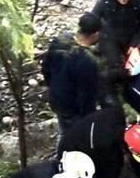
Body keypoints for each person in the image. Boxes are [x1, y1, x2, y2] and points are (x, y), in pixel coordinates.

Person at [40, 13, 103, 143]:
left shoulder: (60, 40)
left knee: (64, 131)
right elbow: (86, 97)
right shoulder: (87, 61)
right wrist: (88, 119)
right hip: (73, 109)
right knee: (75, 138)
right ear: (95, 35)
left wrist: (52, 87)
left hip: (56, 99)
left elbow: (46, 68)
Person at [56, 105, 127, 178]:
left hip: (77, 136)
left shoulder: (116, 113)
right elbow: (109, 171)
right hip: (71, 153)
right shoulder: (106, 147)